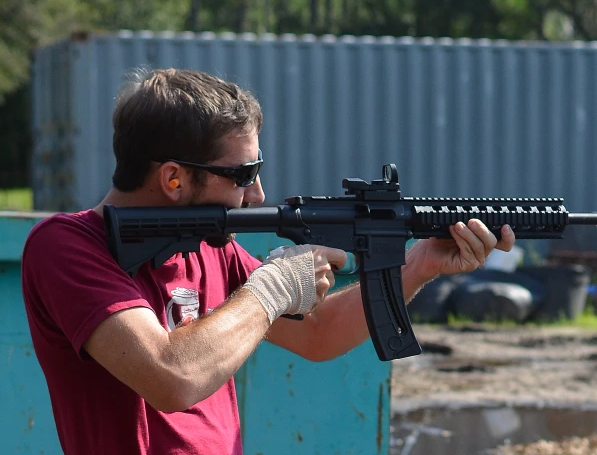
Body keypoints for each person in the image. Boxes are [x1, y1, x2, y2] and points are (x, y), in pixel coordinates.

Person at [20, 68, 516, 454]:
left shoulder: (208, 247)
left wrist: (420, 263)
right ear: (173, 179)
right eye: (243, 173)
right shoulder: (67, 247)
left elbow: (317, 333)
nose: (257, 194)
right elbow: (172, 376)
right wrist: (271, 289)